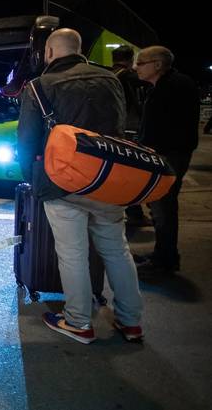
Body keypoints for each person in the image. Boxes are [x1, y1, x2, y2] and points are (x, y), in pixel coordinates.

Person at [18, 29, 144, 344]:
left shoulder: (38, 87)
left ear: (48, 52)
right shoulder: (111, 80)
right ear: (80, 49)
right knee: (117, 249)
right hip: (108, 179)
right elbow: (123, 125)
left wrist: (34, 180)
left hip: (63, 182)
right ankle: (130, 321)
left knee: (73, 253)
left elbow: (26, 141)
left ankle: (78, 321)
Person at [134, 45, 200, 274]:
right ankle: (163, 254)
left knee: (163, 208)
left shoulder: (174, 87)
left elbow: (168, 127)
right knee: (160, 207)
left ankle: (166, 259)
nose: (136, 67)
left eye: (141, 63)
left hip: (168, 155)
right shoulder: (166, 85)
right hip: (166, 154)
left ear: (158, 65)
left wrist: (149, 149)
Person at [111, 45, 152, 227]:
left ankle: (130, 211)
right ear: (130, 60)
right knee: (133, 173)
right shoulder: (127, 75)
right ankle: (135, 213)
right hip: (128, 130)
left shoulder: (109, 74)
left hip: (113, 129)